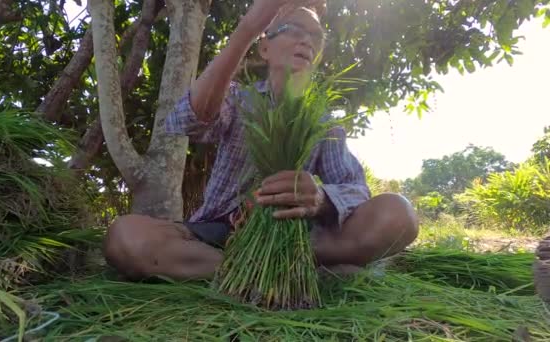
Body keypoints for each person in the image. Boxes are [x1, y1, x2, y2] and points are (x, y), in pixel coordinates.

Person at [103, 0, 419, 281]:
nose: (306, 39)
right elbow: (189, 121)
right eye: (294, 28)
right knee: (125, 237)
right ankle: (272, 274)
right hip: (221, 231)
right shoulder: (239, 100)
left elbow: (356, 189)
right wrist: (248, 28)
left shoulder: (325, 125)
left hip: (297, 233)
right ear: (264, 48)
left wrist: (320, 198)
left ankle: (270, 268)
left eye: (316, 36)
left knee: (398, 213)